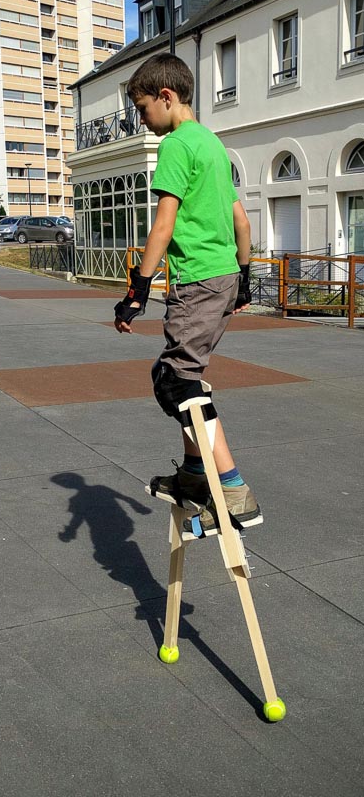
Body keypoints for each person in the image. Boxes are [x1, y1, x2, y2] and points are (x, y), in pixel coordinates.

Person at [114, 53, 259, 536]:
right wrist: (243, 278)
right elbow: (241, 222)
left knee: (177, 383)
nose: (141, 120)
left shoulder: (177, 145)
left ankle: (233, 490)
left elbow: (163, 224)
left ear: (166, 97)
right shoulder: (213, 145)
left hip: (196, 282)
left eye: (142, 109)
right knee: (179, 375)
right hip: (223, 277)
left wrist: (137, 289)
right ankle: (195, 474)